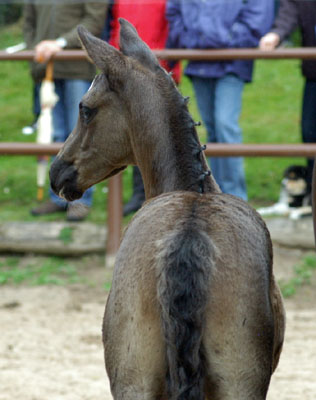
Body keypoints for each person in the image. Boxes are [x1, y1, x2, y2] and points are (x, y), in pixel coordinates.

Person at [166, 0, 274, 201]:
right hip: (200, 62)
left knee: (225, 124)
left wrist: (222, 37)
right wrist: (193, 38)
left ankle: (235, 197)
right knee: (212, 129)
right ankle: (214, 193)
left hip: (231, 61)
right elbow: (174, 12)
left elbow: (257, 16)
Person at [23, 1, 108, 221]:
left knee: (79, 135)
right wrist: (37, 49)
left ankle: (80, 198)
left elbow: (93, 22)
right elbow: (28, 23)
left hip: (77, 70)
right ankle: (59, 195)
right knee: (53, 135)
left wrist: (59, 44)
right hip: (45, 70)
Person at [109, 0, 181, 216]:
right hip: (126, 72)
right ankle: (140, 194)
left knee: (158, 135)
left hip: (155, 69)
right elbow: (116, 28)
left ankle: (163, 192)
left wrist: (170, 67)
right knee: (134, 134)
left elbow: (172, 28)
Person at [259, 0, 316, 198]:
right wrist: (277, 34)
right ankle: (312, 195)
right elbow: (291, 9)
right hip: (314, 76)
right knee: (309, 133)